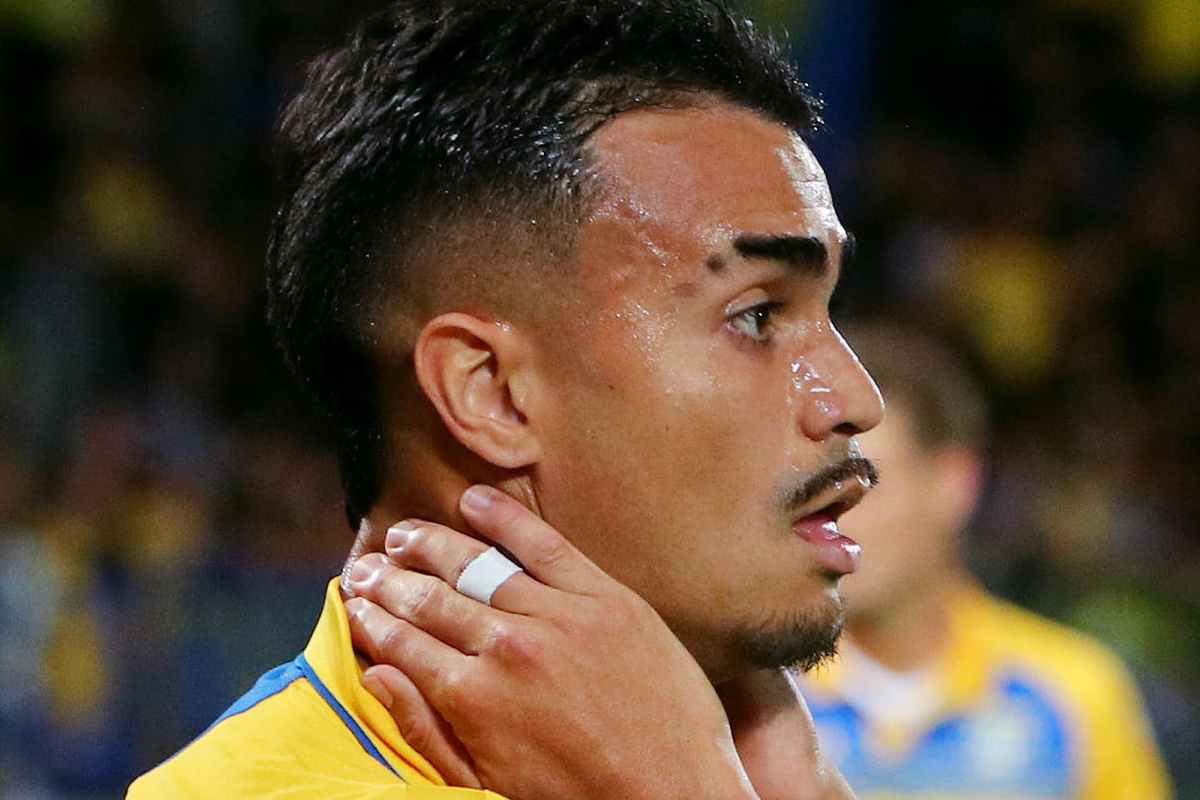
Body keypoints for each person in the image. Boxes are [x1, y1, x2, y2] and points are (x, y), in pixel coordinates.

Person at [127, 0, 883, 797]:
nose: (855, 397)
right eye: (757, 316)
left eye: (829, 309)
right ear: (489, 393)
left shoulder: (766, 763)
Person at [796, 321, 1172, 799]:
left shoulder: (1074, 694)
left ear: (954, 482)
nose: (836, 519)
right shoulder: (758, 700)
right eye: (821, 491)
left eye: (863, 486)